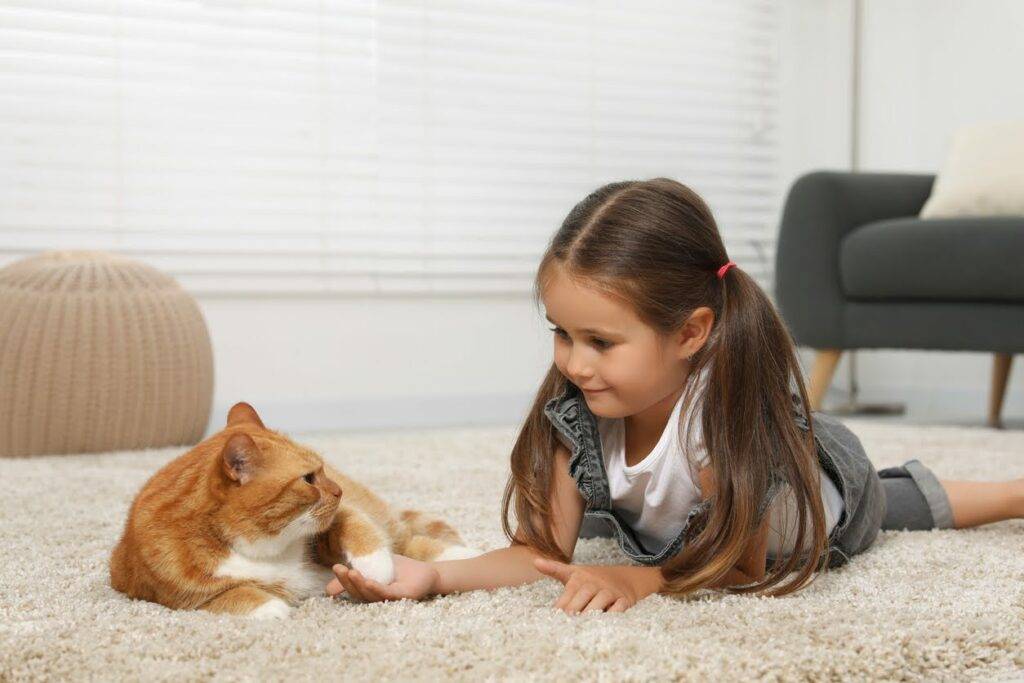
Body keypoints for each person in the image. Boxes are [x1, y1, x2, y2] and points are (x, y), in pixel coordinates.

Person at [327, 178, 1024, 614]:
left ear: (691, 332)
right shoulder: (575, 418)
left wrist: (645, 582)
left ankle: (1016, 491)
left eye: (600, 342)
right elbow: (536, 551)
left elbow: (744, 567)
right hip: (693, 514)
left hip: (811, 491)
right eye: (561, 333)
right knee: (603, 532)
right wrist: (435, 577)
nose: (574, 362)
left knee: (897, 502)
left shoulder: (718, 429)